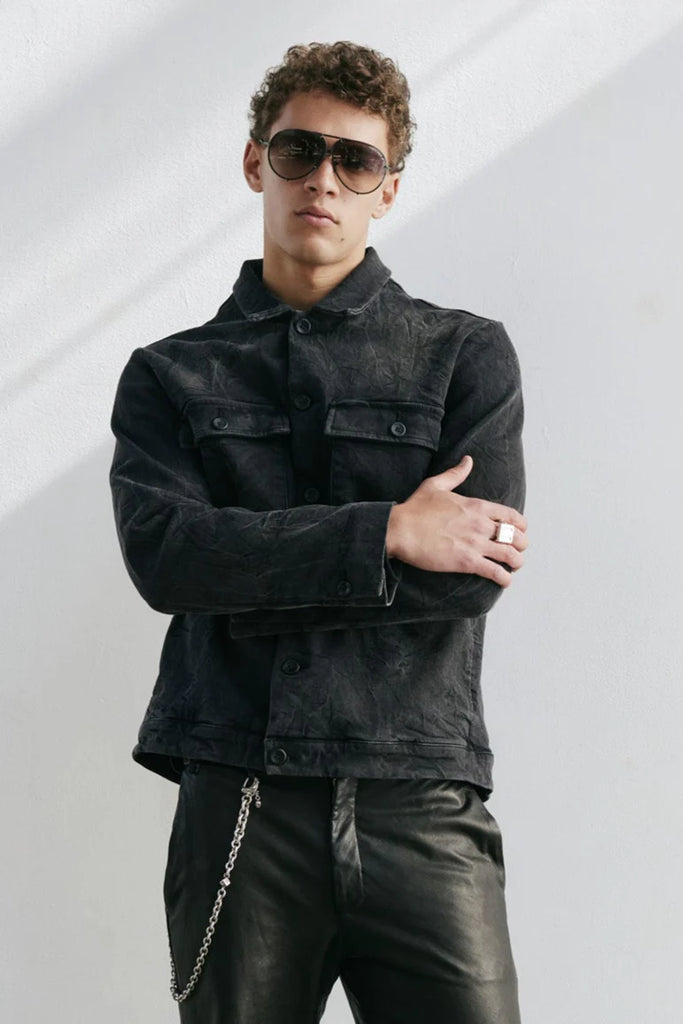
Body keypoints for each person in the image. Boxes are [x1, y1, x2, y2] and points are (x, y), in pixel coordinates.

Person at [109, 40, 529, 1024]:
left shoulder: (463, 356)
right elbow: (167, 559)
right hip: (238, 801)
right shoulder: (169, 375)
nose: (324, 180)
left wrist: (247, 563)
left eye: (355, 160)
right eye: (300, 151)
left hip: (419, 798)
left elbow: (468, 575)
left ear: (388, 188)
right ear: (256, 162)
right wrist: (386, 532)